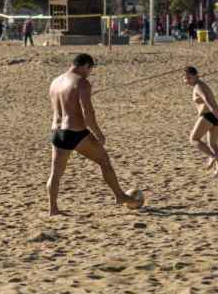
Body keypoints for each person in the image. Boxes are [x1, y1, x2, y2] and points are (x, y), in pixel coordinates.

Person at [46, 53, 144, 215]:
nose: (88, 73)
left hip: (57, 131)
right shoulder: (82, 82)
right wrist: (98, 133)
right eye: (89, 70)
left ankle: (53, 209)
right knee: (104, 160)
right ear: (85, 66)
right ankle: (119, 196)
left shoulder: (55, 82)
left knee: (55, 173)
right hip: (76, 132)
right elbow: (87, 112)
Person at [184, 66, 218, 175]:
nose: (187, 80)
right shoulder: (201, 84)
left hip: (209, 115)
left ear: (196, 75)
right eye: (185, 78)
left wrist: (213, 110)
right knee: (213, 144)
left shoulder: (198, 86)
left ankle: (212, 156)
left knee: (194, 139)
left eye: (189, 77)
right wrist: (217, 112)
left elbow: (206, 99)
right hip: (217, 116)